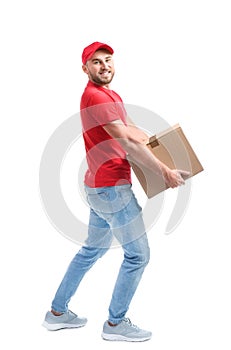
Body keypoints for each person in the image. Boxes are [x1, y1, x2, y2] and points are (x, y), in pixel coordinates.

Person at [42, 42, 188, 342]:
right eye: (96, 62)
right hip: (111, 189)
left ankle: (56, 313)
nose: (104, 66)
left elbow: (134, 131)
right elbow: (129, 140)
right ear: (85, 69)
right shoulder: (96, 96)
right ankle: (115, 324)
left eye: (108, 60)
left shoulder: (111, 94)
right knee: (138, 255)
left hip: (98, 186)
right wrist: (165, 171)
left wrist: (153, 146)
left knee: (91, 250)